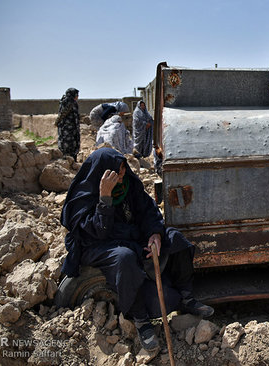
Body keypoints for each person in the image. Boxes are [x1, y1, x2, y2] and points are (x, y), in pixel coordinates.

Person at [60, 148, 214, 352]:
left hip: (133, 236)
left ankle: (186, 298)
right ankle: (141, 321)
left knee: (175, 238)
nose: (122, 177)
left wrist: (154, 234)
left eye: (123, 171)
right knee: (125, 258)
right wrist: (105, 198)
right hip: (100, 244)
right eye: (117, 173)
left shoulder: (127, 185)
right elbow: (99, 232)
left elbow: (147, 211)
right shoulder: (85, 195)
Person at [55, 87, 80, 161]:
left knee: (64, 145)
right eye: (77, 95)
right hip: (69, 130)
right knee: (70, 146)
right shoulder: (71, 102)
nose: (77, 97)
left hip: (64, 129)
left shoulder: (63, 101)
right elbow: (73, 117)